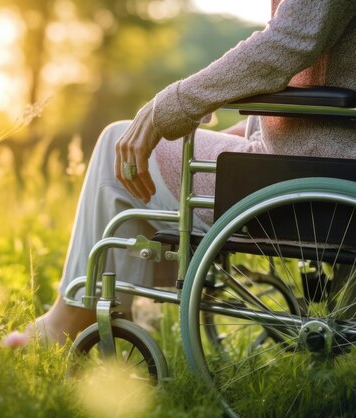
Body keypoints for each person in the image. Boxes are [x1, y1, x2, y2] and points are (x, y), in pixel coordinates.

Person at [28, 0, 356, 345]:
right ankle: (126, 312)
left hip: (308, 170)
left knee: (116, 141)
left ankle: (66, 323)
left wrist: (169, 106)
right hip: (326, 156)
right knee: (149, 148)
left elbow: (287, 44)